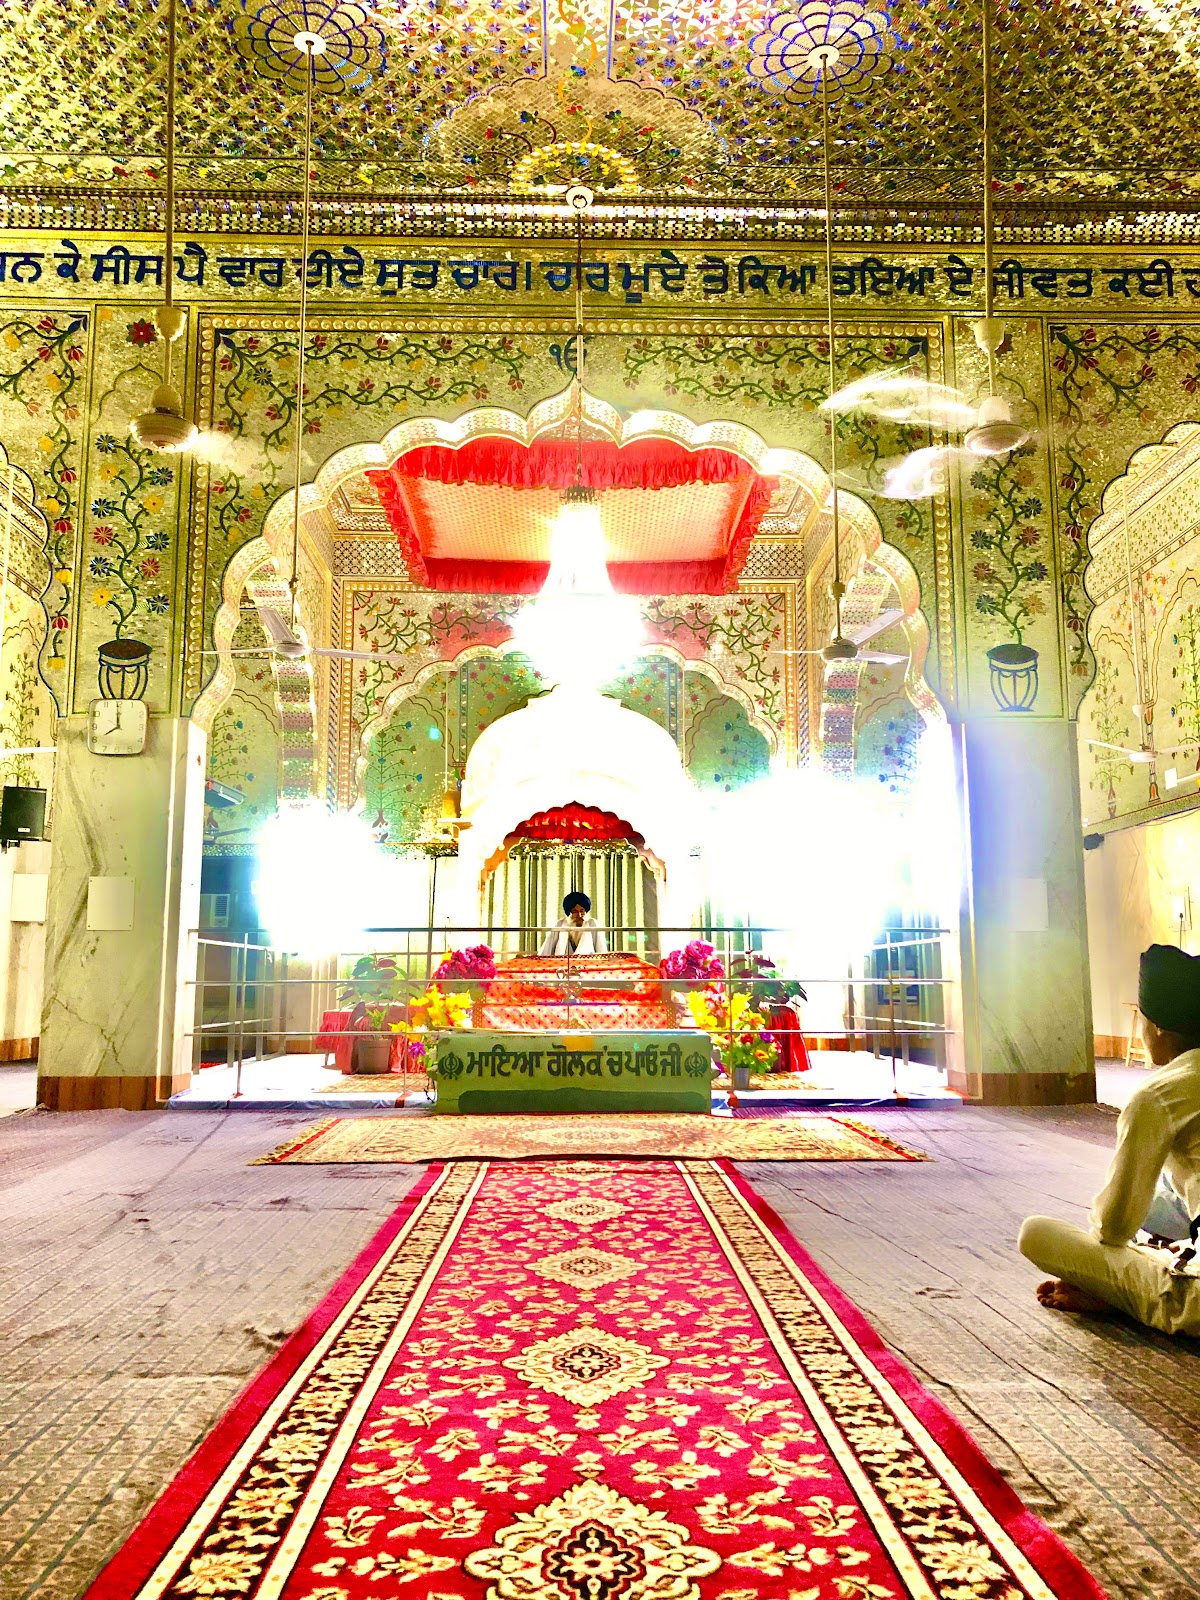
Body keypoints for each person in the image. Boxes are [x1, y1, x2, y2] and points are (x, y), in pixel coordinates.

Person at [1018, 943, 1200, 1336]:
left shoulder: (1159, 1095)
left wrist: (1106, 1264)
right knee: (1166, 1190)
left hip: (1196, 1298)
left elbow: (1113, 1227)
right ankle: (1152, 1265)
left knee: (1036, 1233)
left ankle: (1122, 1290)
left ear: (1157, 1029)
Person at [540, 891, 607, 957]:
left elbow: (601, 952)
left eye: (582, 911)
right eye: (575, 911)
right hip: (563, 965)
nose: (580, 915)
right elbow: (546, 951)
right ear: (568, 913)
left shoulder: (592, 924)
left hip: (587, 965)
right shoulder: (560, 925)